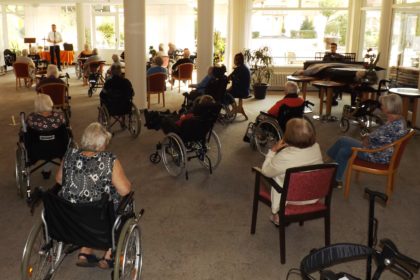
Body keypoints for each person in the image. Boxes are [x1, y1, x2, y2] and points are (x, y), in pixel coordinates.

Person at [55, 122, 131, 268]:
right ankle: (109, 256)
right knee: (121, 203)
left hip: (70, 217)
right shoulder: (109, 160)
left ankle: (85, 251)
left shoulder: (69, 155)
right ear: (102, 144)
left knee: (84, 205)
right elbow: (125, 190)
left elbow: (59, 180)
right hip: (99, 220)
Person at [326, 93, 407, 188]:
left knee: (342, 140)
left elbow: (376, 138)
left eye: (383, 105)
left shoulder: (393, 126)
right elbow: (381, 138)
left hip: (376, 154)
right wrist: (368, 137)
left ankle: (327, 163)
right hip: (380, 150)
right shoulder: (398, 120)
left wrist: (367, 137)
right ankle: (335, 179)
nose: (381, 107)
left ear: (390, 107)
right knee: (344, 150)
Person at [261, 118, 323, 226]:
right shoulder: (316, 147)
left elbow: (266, 171)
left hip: (291, 198)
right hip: (313, 195)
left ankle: (279, 214)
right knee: (285, 173)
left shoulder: (285, 156)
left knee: (265, 175)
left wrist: (273, 151)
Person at [27, 94, 66, 179]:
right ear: (50, 102)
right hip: (58, 149)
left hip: (36, 150)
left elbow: (27, 137)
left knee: (42, 143)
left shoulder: (31, 118)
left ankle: (39, 170)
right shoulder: (59, 117)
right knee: (52, 143)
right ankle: (47, 171)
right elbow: (65, 135)